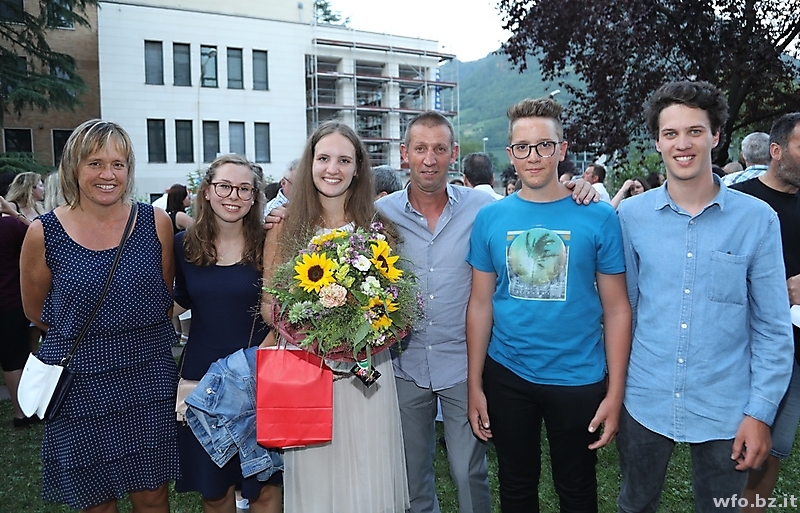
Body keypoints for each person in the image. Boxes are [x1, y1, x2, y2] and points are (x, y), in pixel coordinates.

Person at [374, 111, 600, 513]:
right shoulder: (381, 213)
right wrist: (282, 216)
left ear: (454, 154)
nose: (430, 159)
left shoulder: (483, 208)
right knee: (412, 475)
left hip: (463, 364)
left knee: (468, 472)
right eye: (420, 149)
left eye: (440, 149)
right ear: (405, 154)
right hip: (404, 363)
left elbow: (534, 203)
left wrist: (577, 187)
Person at [615, 81, 794, 513]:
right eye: (671, 133)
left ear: (715, 136)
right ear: (657, 142)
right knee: (634, 505)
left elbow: (772, 326)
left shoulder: (757, 220)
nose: (683, 144)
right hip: (645, 398)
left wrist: (760, 412)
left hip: (726, 404)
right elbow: (625, 310)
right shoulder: (631, 217)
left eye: (695, 131)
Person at [465, 98, 631, 512]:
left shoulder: (598, 216)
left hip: (577, 376)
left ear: (562, 149)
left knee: (576, 488)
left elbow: (617, 309)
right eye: (523, 147)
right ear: (510, 154)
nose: (533, 156)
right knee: (515, 486)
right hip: (507, 373)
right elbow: (480, 304)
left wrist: (615, 392)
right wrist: (474, 384)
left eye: (544, 145)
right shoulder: (490, 218)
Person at [19, 119, 180, 513]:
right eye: (95, 163)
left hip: (147, 375)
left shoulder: (155, 223)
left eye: (118, 164)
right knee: (95, 501)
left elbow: (162, 297)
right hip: (79, 381)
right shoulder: (44, 232)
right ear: (73, 167)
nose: (108, 174)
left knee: (153, 496)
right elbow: (35, 310)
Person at [261, 121, 409, 513]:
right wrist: (320, 333)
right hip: (307, 369)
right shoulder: (284, 228)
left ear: (358, 168)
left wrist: (360, 331)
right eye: (324, 158)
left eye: (344, 160)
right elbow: (269, 305)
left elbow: (393, 300)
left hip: (365, 374)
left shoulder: (378, 229)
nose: (333, 169)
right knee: (316, 477)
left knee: (367, 470)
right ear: (310, 164)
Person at [173, 154, 282, 513]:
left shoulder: (271, 243)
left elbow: (284, 314)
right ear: (206, 191)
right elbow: (177, 301)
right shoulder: (183, 246)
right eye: (224, 186)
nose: (233, 196)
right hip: (203, 381)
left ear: (254, 197)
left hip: (258, 377)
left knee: (264, 488)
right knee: (215, 490)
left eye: (244, 189)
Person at [730, 112, 800, 513]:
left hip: (791, 352)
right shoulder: (740, 201)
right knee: (727, 449)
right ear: (776, 151)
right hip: (736, 346)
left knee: (767, 451)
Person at [0, 194, 37, 429]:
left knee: (10, 359)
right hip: (10, 300)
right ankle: (21, 413)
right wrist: (15, 214)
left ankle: (21, 411)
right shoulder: (8, 227)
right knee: (15, 359)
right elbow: (39, 233)